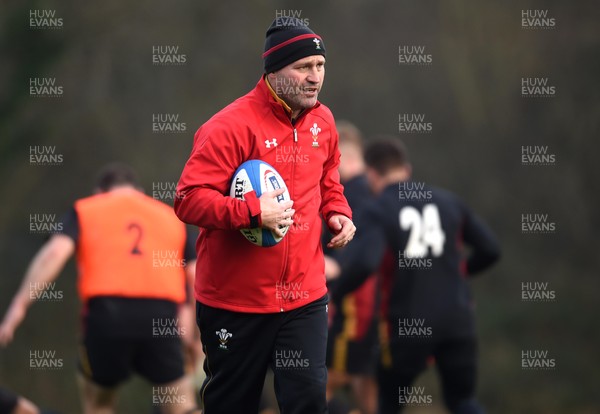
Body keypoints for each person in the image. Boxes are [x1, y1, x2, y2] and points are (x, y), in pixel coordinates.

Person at [174, 16, 355, 414]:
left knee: (307, 400)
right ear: (274, 71)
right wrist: (252, 212)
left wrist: (337, 210)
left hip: (304, 297)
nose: (315, 78)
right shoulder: (228, 127)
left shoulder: (323, 122)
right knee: (232, 404)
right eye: (303, 67)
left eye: (320, 66)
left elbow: (328, 175)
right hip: (235, 302)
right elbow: (188, 200)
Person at [0, 163, 199, 414]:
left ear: (99, 192)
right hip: (162, 316)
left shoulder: (86, 209)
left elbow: (55, 253)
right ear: (139, 191)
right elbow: (194, 274)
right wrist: (196, 337)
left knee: (100, 403)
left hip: (107, 315)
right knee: (182, 406)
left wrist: (19, 305)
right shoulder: (171, 217)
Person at [329, 138, 500, 414]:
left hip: (406, 325)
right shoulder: (449, 201)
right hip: (457, 320)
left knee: (389, 405)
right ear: (406, 170)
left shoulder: (379, 209)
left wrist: (335, 293)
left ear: (371, 174)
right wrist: (461, 272)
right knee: (463, 401)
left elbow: (365, 263)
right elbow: (491, 249)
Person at [323, 121, 378, 414]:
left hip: (354, 306)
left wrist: (335, 271)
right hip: (382, 307)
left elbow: (358, 257)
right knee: (365, 384)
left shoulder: (353, 194)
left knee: (319, 385)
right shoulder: (378, 193)